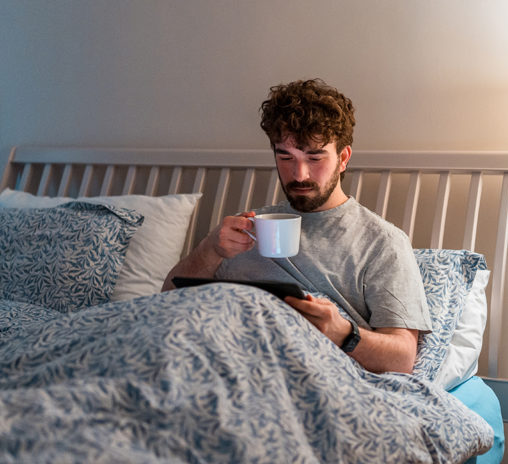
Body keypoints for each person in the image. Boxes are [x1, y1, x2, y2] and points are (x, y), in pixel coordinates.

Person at [163, 79, 431, 374]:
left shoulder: (382, 242)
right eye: (285, 157)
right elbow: (165, 301)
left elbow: (402, 358)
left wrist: (344, 333)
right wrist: (209, 249)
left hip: (299, 373)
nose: (299, 174)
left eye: (314, 157)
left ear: (343, 158)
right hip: (207, 360)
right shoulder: (244, 226)